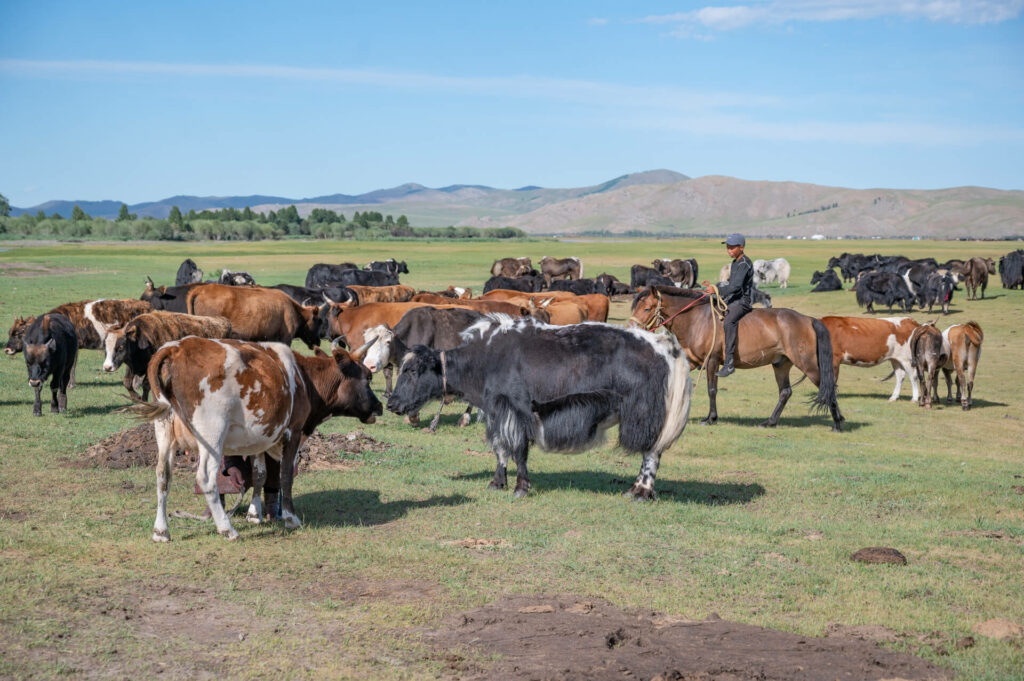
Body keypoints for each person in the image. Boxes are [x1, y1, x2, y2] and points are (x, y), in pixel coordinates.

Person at [710, 233, 754, 377]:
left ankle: (729, 363)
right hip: (734, 298)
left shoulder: (745, 264)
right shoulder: (735, 262)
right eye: (727, 247)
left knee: (729, 321)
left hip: (743, 301)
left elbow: (735, 286)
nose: (729, 250)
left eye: (732, 247)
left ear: (741, 247)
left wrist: (717, 290)